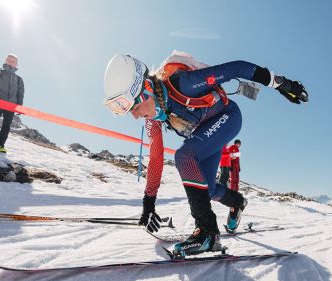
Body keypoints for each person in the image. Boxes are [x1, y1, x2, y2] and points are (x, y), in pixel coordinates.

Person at [102, 52, 308, 257]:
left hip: (228, 117)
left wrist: (281, 84)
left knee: (184, 156)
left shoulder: (185, 84)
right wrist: (148, 203)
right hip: (207, 132)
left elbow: (236, 68)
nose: (135, 115)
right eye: (126, 110)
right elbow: (156, 158)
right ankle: (237, 202)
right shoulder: (153, 120)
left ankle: (207, 232)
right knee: (206, 189)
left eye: (134, 107)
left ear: (147, 89)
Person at [0, 54, 24, 153]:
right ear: (5, 61)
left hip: (11, 105)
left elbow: (20, 93)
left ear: (16, 64)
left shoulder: (19, 79)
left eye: (13, 61)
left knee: (6, 125)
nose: (11, 62)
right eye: (9, 60)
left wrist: (19, 106)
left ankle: (1, 145)